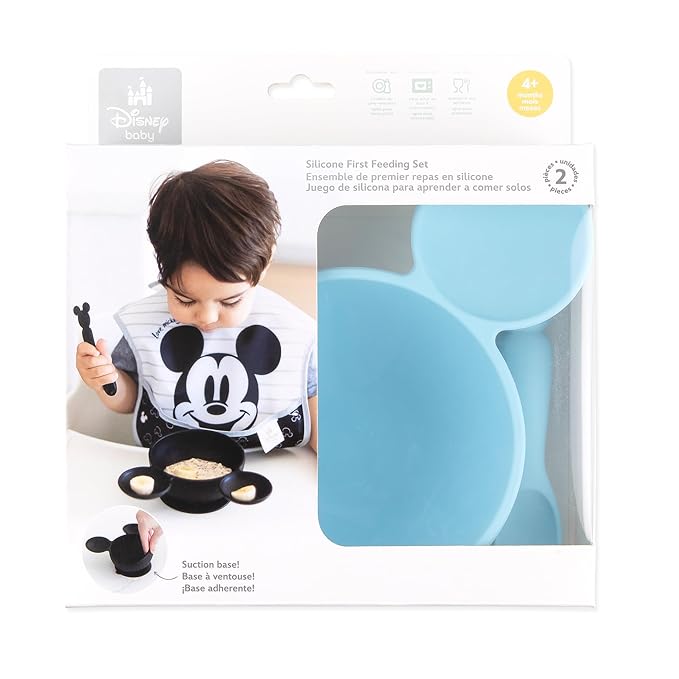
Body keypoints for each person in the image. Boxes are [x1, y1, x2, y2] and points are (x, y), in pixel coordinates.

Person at [76, 160, 317, 452]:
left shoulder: (292, 332)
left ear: (264, 264)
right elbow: (133, 400)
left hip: (267, 470)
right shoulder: (148, 323)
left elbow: (321, 421)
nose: (207, 317)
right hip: (168, 467)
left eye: (230, 300)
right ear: (163, 273)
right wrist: (107, 381)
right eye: (185, 299)